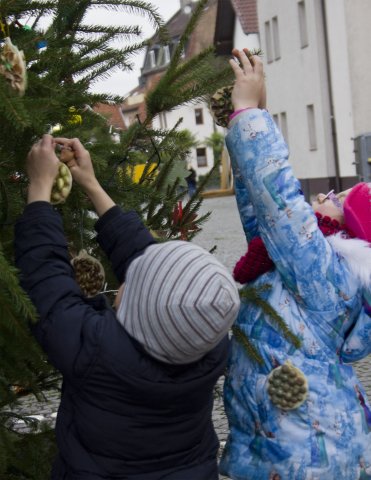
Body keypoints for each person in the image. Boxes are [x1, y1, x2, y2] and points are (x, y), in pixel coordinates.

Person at [14, 135, 240, 480]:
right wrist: (90, 184)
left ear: (132, 307)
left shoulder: (96, 351)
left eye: (133, 280)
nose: (128, 275)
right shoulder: (208, 348)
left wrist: (39, 190)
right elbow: (150, 262)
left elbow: (47, 282)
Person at [219, 48, 371, 480]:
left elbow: (282, 206)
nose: (324, 197)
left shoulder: (328, 274)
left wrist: (248, 114)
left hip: (306, 459)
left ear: (352, 236)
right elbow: (265, 219)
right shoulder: (300, 263)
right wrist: (257, 113)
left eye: (338, 201)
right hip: (293, 445)